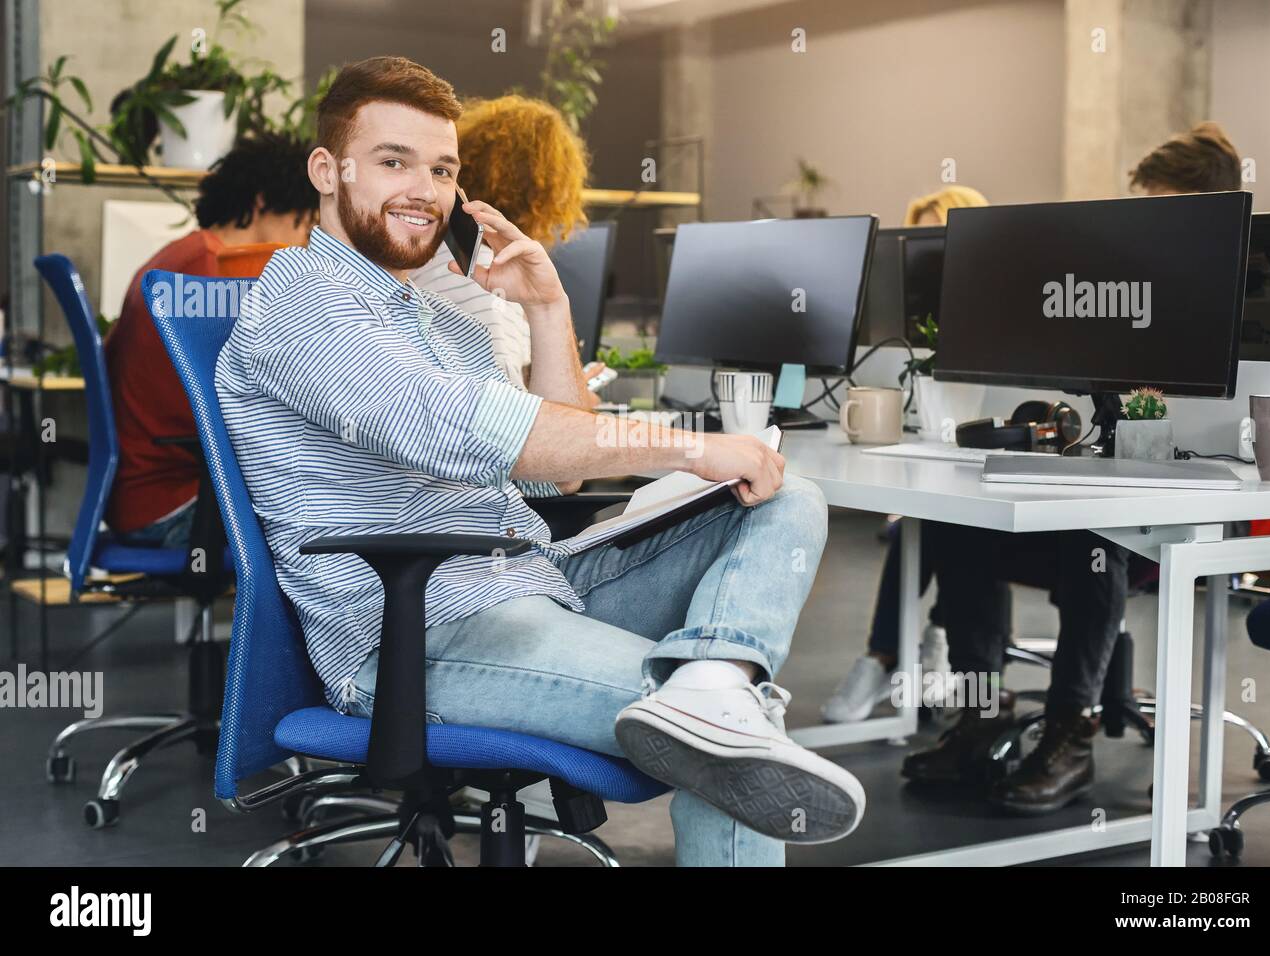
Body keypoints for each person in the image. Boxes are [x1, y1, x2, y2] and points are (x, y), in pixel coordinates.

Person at [215, 56, 865, 866]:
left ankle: (712, 682)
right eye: (393, 162)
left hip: (538, 582)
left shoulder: (436, 317)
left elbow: (551, 475)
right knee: (726, 736)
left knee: (782, 497)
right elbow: (491, 430)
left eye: (442, 169)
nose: (424, 187)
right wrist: (691, 446)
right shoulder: (303, 308)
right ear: (326, 169)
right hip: (417, 631)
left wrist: (548, 307)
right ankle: (711, 699)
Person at [897, 122, 1245, 816]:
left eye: (1158, 205)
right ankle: (984, 711)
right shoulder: (1116, 274)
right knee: (955, 516)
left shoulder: (1225, 292)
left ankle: (1069, 733)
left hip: (1166, 517)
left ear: (1205, 210)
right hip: (1096, 475)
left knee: (1095, 536)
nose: (1141, 222)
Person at [822, 185, 996, 724]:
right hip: (937, 449)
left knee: (945, 525)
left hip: (995, 461)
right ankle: (905, 651)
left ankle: (907, 649)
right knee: (917, 523)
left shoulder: (1003, 315)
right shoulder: (911, 336)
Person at [105, 132, 316, 548]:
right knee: (341, 531)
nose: (308, 238)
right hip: (175, 503)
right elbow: (252, 405)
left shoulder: (181, 258)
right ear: (261, 204)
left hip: (144, 497)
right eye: (306, 220)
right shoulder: (210, 273)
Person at [409, 94, 602, 403]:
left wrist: (540, 378)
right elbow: (525, 438)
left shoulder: (438, 256)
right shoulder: (484, 279)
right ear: (546, 193)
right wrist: (576, 400)